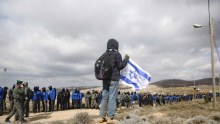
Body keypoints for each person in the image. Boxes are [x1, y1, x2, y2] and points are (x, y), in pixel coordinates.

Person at [99, 39, 129, 123]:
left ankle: (101, 117)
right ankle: (110, 117)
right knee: (112, 97)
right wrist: (126, 59)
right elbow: (120, 66)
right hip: (113, 78)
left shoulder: (104, 54)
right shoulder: (117, 54)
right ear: (116, 45)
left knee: (105, 97)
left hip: (105, 78)